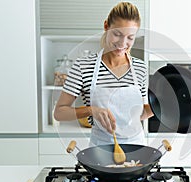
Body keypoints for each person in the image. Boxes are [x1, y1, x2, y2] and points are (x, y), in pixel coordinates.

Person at [54, 2, 153, 146]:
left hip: (136, 148)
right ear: (106, 26)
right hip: (99, 151)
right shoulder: (83, 66)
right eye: (117, 34)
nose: (122, 43)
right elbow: (59, 113)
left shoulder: (140, 68)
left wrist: (161, 107)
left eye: (130, 37)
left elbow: (139, 115)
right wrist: (91, 110)